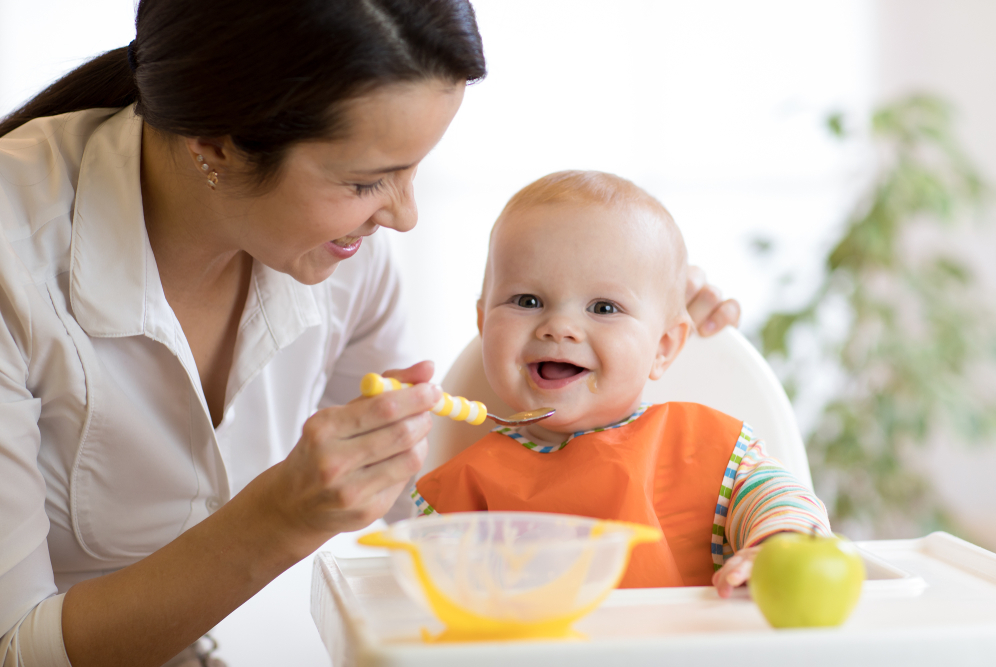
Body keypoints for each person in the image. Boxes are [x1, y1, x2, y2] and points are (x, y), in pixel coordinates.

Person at [0, 3, 740, 666]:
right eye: (365, 182)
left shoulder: (343, 259)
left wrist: (623, 292)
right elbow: (15, 646)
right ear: (216, 144)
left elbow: (417, 505)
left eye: (414, 170)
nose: (403, 216)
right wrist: (279, 517)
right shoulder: (14, 253)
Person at [413, 171, 830, 592]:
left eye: (604, 307)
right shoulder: (469, 482)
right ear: (484, 324)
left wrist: (777, 544)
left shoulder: (698, 446)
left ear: (664, 346)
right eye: (528, 301)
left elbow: (783, 500)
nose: (559, 327)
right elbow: (426, 596)